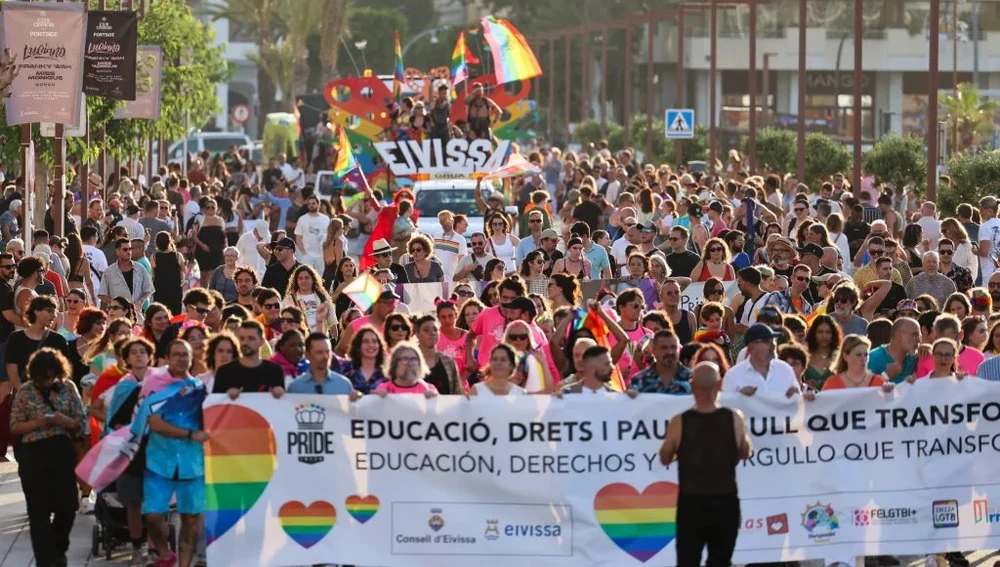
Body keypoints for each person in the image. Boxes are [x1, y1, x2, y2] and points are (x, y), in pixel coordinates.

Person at [658, 361, 751, 567]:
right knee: (720, 561)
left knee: (688, 562)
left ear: (692, 386)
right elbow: (745, 452)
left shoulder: (679, 421)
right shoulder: (734, 418)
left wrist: (681, 453)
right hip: (725, 503)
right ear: (719, 385)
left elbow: (664, 457)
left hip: (692, 504)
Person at [132, 340, 208, 567]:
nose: (181, 359)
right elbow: (155, 423)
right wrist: (189, 434)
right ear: (167, 357)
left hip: (192, 464)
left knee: (190, 520)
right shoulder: (155, 386)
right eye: (176, 354)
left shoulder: (199, 388)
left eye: (185, 355)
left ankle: (184, 564)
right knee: (153, 516)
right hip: (159, 462)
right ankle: (165, 555)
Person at [10, 348, 86, 567]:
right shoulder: (26, 391)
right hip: (34, 452)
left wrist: (64, 420)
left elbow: (80, 422)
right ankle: (47, 560)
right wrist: (37, 423)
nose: (49, 381)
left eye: (53, 376)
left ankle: (58, 546)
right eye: (44, 377)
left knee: (68, 505)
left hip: (61, 449)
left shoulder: (68, 388)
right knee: (38, 510)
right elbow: (14, 426)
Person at [212, 320, 286, 398]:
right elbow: (214, 405)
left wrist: (281, 394)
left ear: (262, 342)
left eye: (251, 338)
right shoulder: (224, 372)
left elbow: (282, 406)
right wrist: (225, 396)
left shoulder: (275, 371)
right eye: (242, 338)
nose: (245, 343)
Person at [287, 332, 357, 396]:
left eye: (327, 352)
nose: (325, 357)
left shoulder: (344, 385)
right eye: (319, 352)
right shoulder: (295, 388)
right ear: (307, 355)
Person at [372, 342, 439, 397]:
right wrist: (375, 399)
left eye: (413, 359)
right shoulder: (384, 389)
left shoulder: (428, 389)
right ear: (395, 363)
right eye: (405, 359)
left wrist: (436, 399)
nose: (409, 363)